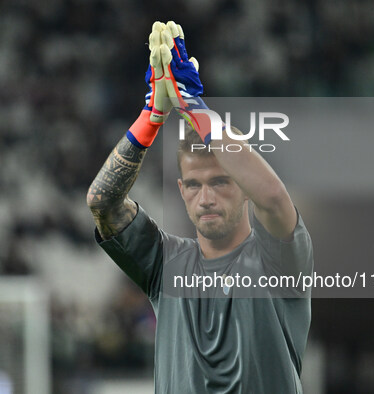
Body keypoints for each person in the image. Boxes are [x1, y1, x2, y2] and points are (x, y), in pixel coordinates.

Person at [87, 21, 313, 393]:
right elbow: (101, 203)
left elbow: (272, 197)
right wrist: (152, 116)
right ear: (181, 189)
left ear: (242, 187)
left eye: (220, 182)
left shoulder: (279, 258)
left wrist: (193, 106)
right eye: (193, 185)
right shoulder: (164, 263)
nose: (205, 197)